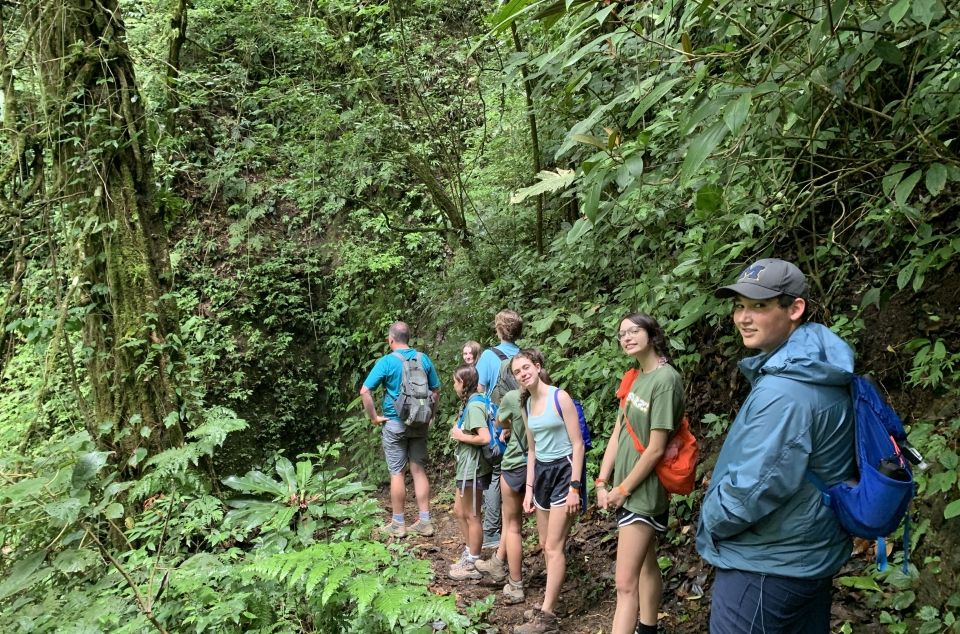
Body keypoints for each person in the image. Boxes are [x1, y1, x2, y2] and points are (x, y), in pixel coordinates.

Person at [695, 258, 856, 633]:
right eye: (739, 305)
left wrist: (711, 520)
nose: (743, 318)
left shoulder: (786, 391)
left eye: (760, 306)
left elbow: (754, 487)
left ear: (794, 308)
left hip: (766, 565)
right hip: (808, 553)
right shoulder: (817, 368)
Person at [595, 314, 685, 634]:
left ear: (651, 334)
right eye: (622, 334)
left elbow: (657, 448)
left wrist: (624, 489)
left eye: (634, 331)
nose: (627, 337)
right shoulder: (634, 376)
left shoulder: (665, 380)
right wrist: (603, 481)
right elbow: (619, 433)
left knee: (624, 584)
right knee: (646, 565)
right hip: (626, 487)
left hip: (643, 492)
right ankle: (648, 629)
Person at [513, 348, 585, 634]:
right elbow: (532, 449)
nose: (523, 374)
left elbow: (578, 444)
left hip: (565, 471)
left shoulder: (560, 397)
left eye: (526, 368)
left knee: (554, 546)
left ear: (538, 366)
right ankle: (549, 603)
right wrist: (529, 489)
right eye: (518, 372)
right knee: (545, 544)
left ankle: (547, 615)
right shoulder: (527, 404)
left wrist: (575, 487)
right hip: (541, 472)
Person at [474, 350, 545, 603]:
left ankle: (515, 584)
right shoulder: (549, 394)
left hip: (516, 464)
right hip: (544, 466)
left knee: (512, 525)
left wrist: (505, 428)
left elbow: (500, 423)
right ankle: (549, 587)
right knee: (544, 532)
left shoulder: (514, 397)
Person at [360, 321, 441, 538]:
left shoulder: (387, 362)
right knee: (418, 470)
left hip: (394, 423)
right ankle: (425, 521)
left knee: (397, 472)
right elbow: (435, 391)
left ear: (391, 339)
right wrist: (430, 416)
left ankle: (398, 524)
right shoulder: (423, 359)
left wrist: (375, 417)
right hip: (420, 422)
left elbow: (365, 391)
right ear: (409, 338)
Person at [475, 309, 523, 550]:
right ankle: (512, 528)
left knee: (495, 474)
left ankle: (493, 532)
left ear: (498, 329)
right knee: (514, 472)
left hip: (498, 422)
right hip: (522, 423)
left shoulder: (487, 356)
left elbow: (480, 389)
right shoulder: (524, 356)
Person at [448, 364, 493, 580]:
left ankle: (474, 563)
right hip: (466, 468)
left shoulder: (475, 405)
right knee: (459, 511)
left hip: (473, 469)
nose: (454, 386)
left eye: (456, 381)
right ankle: (470, 552)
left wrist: (460, 435)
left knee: (472, 515)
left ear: (464, 383)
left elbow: (484, 437)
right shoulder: (473, 402)